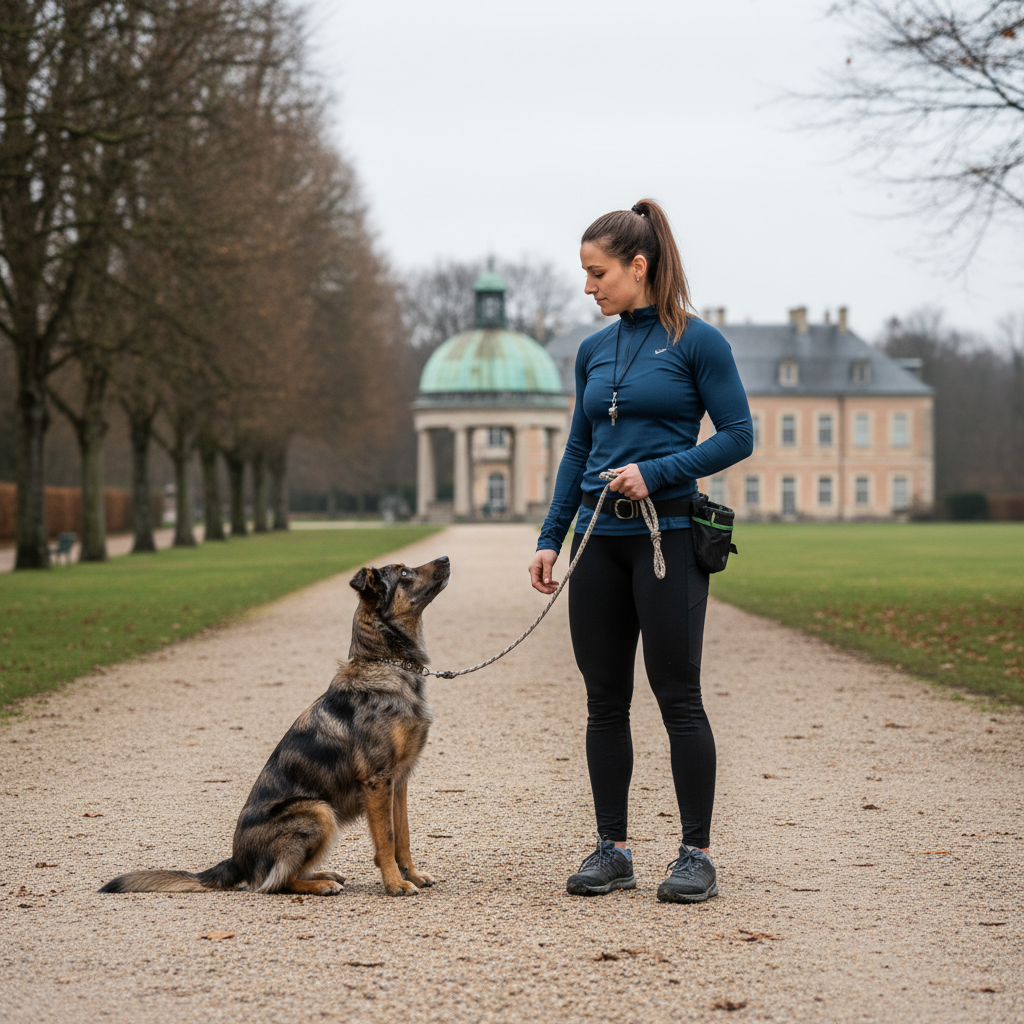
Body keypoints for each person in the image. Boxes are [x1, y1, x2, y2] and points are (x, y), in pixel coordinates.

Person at [529, 199, 753, 903]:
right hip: (599, 543)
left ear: (639, 266)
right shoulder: (592, 351)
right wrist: (549, 538)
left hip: (670, 540)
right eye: (585, 274)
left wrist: (658, 471)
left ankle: (696, 854)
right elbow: (577, 449)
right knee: (604, 700)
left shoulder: (698, 342)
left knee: (678, 696)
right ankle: (613, 848)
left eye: (597, 273)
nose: (588, 286)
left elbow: (739, 435)